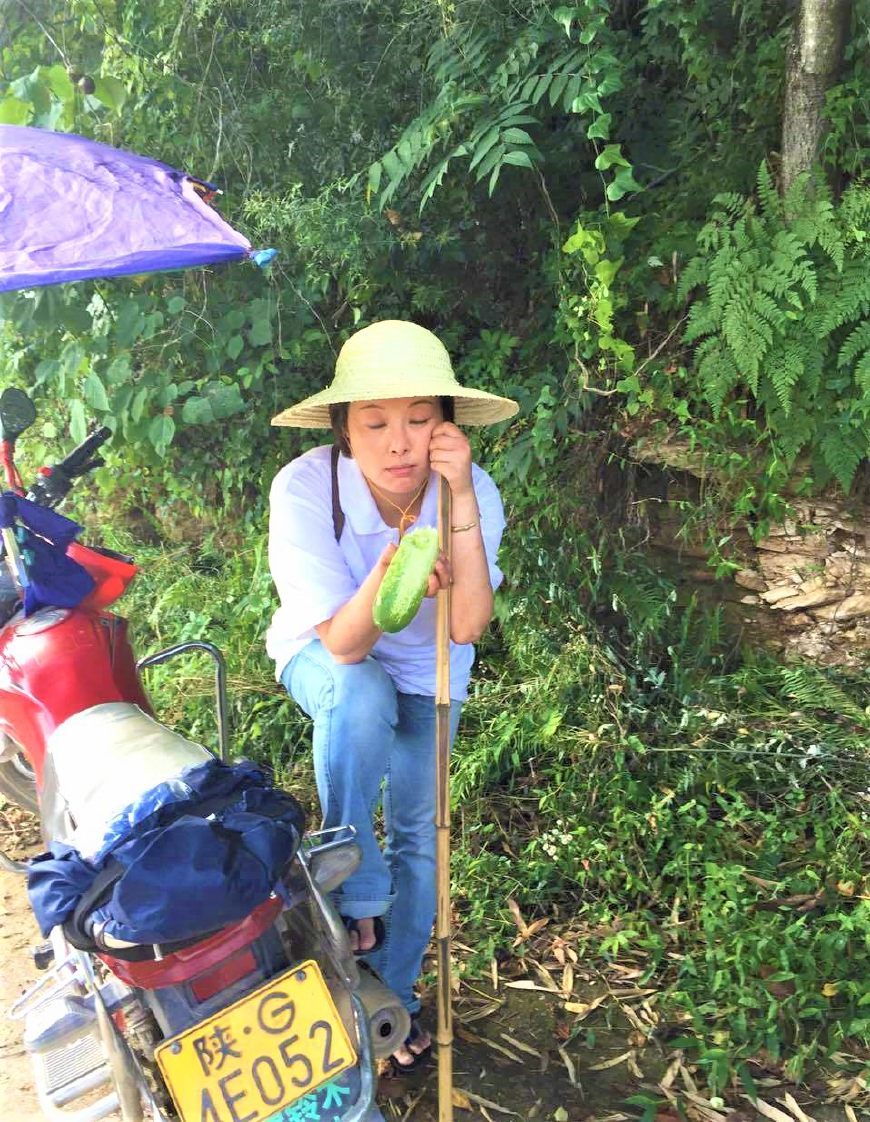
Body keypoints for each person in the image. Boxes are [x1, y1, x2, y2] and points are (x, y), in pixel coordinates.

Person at [266, 319, 517, 1071]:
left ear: (446, 423)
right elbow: (342, 644)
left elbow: (467, 625)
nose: (399, 442)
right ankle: (351, 874)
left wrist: (461, 497)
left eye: (419, 420)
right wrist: (391, 570)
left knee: (421, 833)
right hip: (326, 655)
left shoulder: (470, 492)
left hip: (431, 675)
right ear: (344, 428)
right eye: (375, 422)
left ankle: (395, 1001)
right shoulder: (307, 487)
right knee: (359, 689)